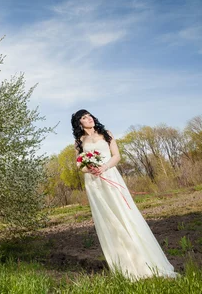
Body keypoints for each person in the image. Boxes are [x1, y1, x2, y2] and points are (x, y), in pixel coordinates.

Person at [71, 109, 177, 280]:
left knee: (123, 212)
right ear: (79, 123)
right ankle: (124, 265)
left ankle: (145, 260)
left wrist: (104, 167)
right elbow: (79, 165)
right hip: (94, 182)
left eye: (89, 115)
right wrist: (89, 169)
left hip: (110, 175)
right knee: (108, 219)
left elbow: (117, 156)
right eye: (84, 117)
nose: (88, 118)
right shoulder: (78, 141)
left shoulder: (106, 133)